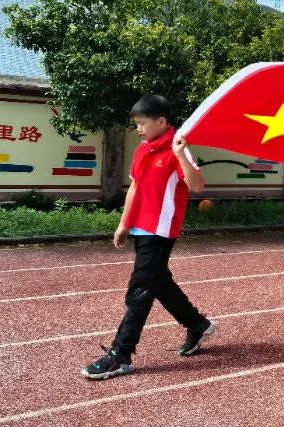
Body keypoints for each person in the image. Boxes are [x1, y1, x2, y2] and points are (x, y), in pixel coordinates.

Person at [82, 94, 214, 380]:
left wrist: (181, 155)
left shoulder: (178, 149)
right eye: (137, 124)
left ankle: (121, 353)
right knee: (159, 283)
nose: (138, 129)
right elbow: (135, 189)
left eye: (142, 123)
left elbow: (197, 186)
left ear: (162, 122)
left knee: (140, 289)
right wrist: (123, 224)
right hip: (141, 228)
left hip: (161, 230)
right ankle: (197, 324)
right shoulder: (143, 151)